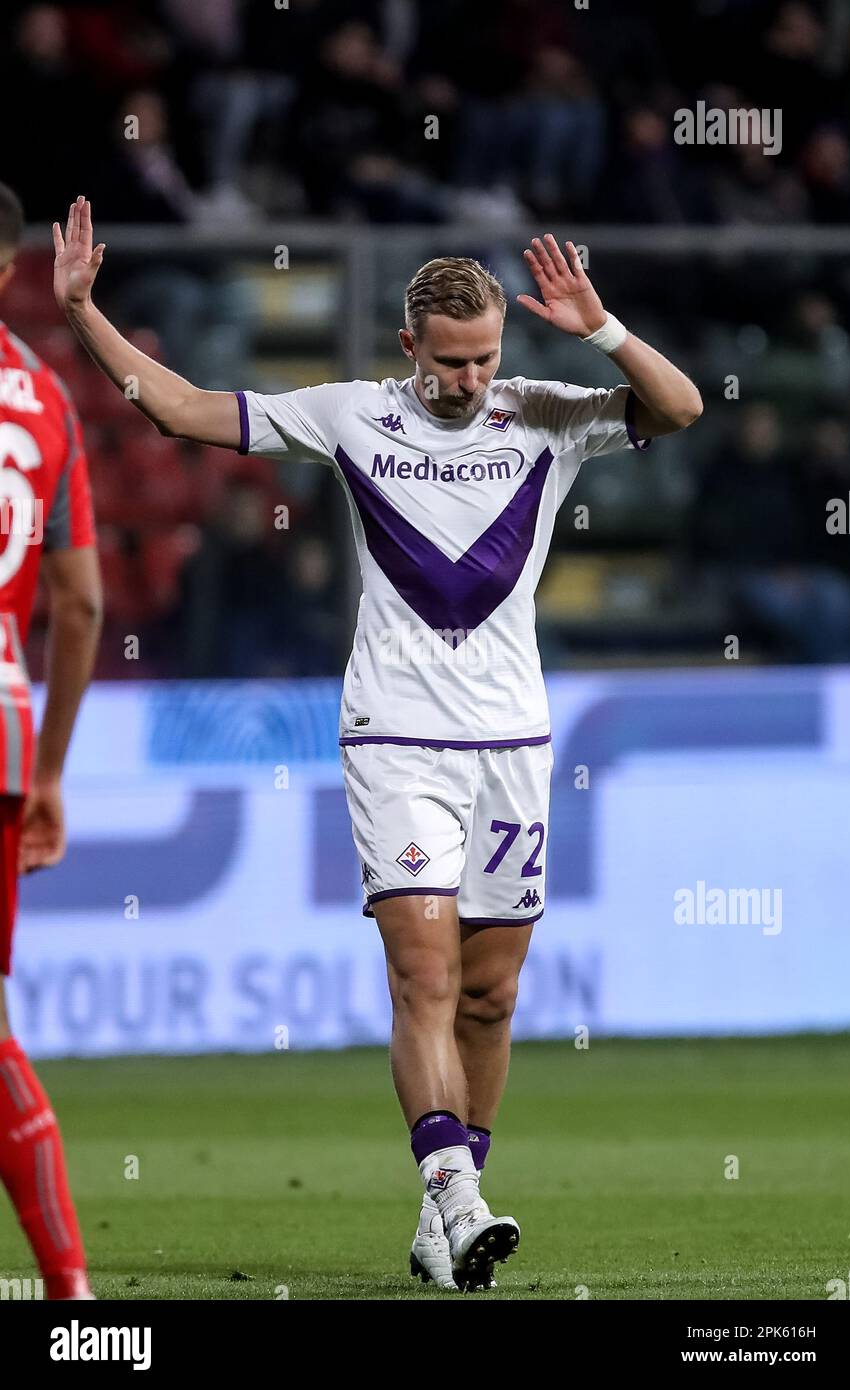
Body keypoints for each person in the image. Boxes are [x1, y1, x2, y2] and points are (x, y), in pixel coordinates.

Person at [54, 195, 701, 1291]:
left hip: (512, 739)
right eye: (448, 362)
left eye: (483, 358)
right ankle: (455, 1193)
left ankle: (441, 1212)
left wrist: (599, 330)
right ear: (409, 347)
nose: (468, 380)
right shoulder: (353, 416)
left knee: (491, 995)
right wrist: (80, 310)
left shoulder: (544, 414)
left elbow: (678, 409)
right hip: (394, 735)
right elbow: (176, 410)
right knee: (423, 969)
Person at [0, 184, 102, 1300]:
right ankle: (67, 1294)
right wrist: (53, 770)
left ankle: (70, 1290)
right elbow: (78, 607)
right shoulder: (44, 401)